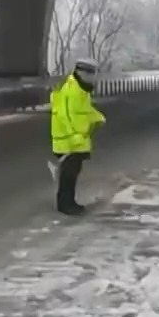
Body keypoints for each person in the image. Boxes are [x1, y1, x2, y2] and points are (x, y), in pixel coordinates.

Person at [48, 57, 107, 215]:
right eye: (92, 74)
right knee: (68, 175)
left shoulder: (82, 90)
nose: (94, 77)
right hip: (67, 141)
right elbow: (64, 116)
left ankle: (70, 201)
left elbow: (84, 111)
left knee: (73, 173)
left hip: (78, 139)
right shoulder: (71, 89)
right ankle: (64, 205)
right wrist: (73, 136)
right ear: (83, 73)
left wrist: (97, 116)